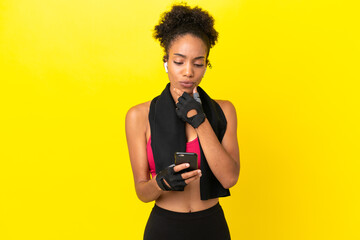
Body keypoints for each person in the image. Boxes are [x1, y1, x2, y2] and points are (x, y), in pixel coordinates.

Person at [125, 3, 240, 240]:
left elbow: (229, 178)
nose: (188, 72)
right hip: (165, 227)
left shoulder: (223, 110)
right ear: (166, 61)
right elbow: (142, 192)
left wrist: (199, 119)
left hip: (211, 226)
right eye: (179, 62)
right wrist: (160, 182)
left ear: (206, 65)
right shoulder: (139, 116)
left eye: (198, 63)